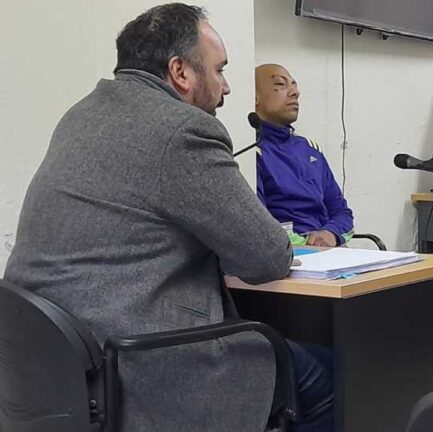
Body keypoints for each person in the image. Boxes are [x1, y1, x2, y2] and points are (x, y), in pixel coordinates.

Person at [3, 4, 331, 431]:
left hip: (52, 370)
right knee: (331, 377)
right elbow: (267, 256)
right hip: (141, 367)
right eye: (220, 70)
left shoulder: (81, 115)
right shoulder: (183, 130)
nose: (227, 87)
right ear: (181, 72)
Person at [254, 63, 354, 247]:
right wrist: (307, 244)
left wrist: (330, 234)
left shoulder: (310, 149)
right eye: (281, 84)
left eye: (294, 85)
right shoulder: (251, 153)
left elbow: (342, 212)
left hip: (329, 254)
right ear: (254, 97)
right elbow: (258, 225)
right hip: (286, 256)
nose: (294, 92)